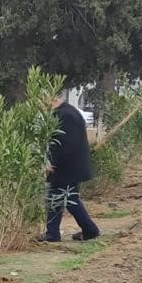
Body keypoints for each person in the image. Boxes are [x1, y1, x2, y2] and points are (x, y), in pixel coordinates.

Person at [39, 96, 100, 242]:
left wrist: (51, 161)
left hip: (68, 166)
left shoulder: (65, 115)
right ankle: (53, 233)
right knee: (59, 198)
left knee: (65, 198)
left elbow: (65, 143)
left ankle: (89, 230)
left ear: (53, 99)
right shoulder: (67, 112)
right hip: (70, 165)